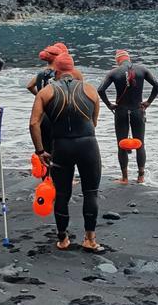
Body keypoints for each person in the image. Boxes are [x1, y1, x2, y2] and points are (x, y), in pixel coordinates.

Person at [29, 52, 104, 252]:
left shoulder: (45, 92)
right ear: (73, 68)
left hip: (61, 146)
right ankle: (90, 239)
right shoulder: (90, 90)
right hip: (88, 145)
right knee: (91, 193)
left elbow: (34, 123)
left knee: (62, 194)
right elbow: (94, 122)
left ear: (56, 71)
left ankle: (63, 239)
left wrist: (40, 150)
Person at [98, 49, 158, 184]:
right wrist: (148, 102)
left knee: (121, 145)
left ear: (117, 60)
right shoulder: (142, 70)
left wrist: (109, 105)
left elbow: (100, 90)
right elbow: (157, 85)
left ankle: (125, 178)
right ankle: (141, 177)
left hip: (121, 112)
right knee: (140, 144)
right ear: (129, 58)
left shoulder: (114, 73)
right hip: (138, 111)